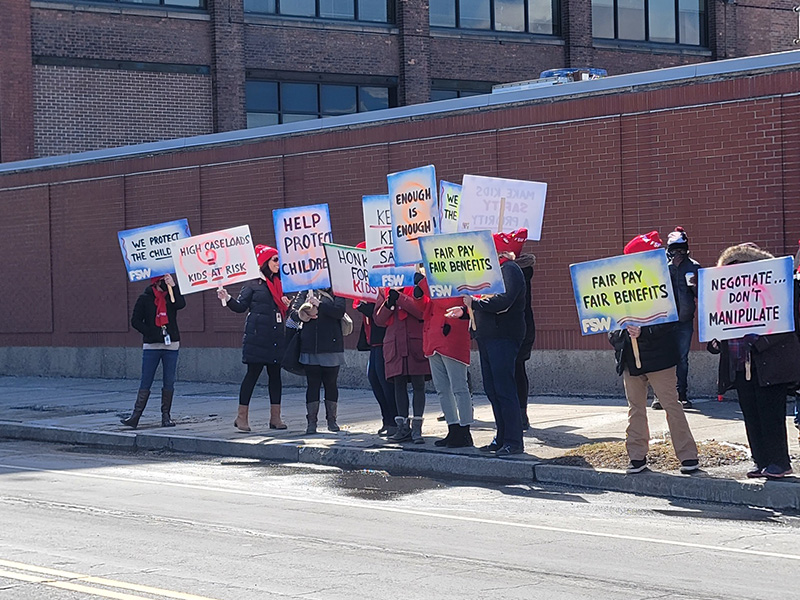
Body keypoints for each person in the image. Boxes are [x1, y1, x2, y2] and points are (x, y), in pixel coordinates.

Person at [608, 231, 699, 474]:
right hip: (631, 359)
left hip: (660, 359)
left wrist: (644, 333)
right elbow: (609, 326)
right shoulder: (618, 288)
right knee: (635, 408)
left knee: (671, 404)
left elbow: (672, 321)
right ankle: (636, 457)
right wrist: (622, 335)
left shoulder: (663, 282)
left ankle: (688, 457)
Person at [707, 243, 800, 479]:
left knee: (771, 414)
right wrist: (716, 342)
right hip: (740, 366)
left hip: (768, 365)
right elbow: (718, 325)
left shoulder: (777, 292)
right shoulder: (726, 297)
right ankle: (761, 460)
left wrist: (759, 343)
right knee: (751, 414)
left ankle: (780, 462)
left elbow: (785, 326)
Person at [446, 230, 527, 457]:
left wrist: (475, 303)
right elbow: (482, 304)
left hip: (504, 336)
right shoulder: (490, 273)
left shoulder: (509, 270)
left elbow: (503, 301)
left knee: (504, 389)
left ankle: (513, 440)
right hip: (488, 336)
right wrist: (464, 310)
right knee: (493, 390)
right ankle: (501, 438)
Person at [217, 245, 289, 433]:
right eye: (274, 260)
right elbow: (241, 306)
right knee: (252, 376)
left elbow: (284, 309)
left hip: (275, 338)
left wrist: (288, 305)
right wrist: (227, 298)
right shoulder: (253, 284)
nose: (278, 263)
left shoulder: (280, 283)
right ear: (265, 262)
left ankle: (275, 418)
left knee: (276, 378)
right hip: (258, 339)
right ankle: (241, 418)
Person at [414, 272, 473, 448]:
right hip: (434, 340)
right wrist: (418, 297)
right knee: (442, 389)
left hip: (451, 340)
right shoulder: (433, 283)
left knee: (459, 388)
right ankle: (453, 427)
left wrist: (424, 284)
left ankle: (464, 430)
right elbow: (426, 309)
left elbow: (447, 303)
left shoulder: (460, 280)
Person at [122, 273, 185, 429]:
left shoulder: (170, 296)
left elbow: (181, 304)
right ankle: (135, 416)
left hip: (171, 345)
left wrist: (174, 286)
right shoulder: (145, 298)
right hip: (152, 346)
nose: (165, 284)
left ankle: (166, 416)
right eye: (163, 281)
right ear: (156, 283)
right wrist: (150, 332)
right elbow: (135, 321)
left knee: (169, 380)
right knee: (146, 380)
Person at [652, 227, 700, 410]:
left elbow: (701, 294)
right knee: (661, 357)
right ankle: (659, 396)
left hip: (684, 321)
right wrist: (671, 269)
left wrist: (696, 284)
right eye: (675, 249)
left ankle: (682, 395)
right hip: (664, 321)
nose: (678, 253)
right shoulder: (661, 266)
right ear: (669, 250)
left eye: (682, 249)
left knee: (682, 358)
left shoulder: (694, 266)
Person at [374, 286, 429, 443]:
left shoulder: (416, 287)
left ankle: (417, 428)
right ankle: (403, 427)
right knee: (398, 384)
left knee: (418, 384)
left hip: (414, 343)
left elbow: (421, 312)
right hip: (395, 344)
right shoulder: (383, 290)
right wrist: (389, 302)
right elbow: (379, 320)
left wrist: (400, 297)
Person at [289, 287, 346, 434]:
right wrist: (303, 313)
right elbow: (293, 313)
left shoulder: (337, 289)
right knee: (312, 385)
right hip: (310, 345)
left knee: (331, 384)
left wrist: (320, 304)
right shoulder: (305, 290)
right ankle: (311, 422)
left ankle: (332, 420)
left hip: (331, 346)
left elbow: (339, 311)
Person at [355, 243, 398, 437]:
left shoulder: (383, 279)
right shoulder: (364, 282)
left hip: (384, 336)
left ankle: (394, 420)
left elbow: (380, 310)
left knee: (383, 379)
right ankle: (386, 419)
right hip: (372, 338)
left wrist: (365, 307)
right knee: (374, 378)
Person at [514, 245, 536, 430]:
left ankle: (520, 414)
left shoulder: (514, 273)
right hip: (525, 326)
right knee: (518, 370)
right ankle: (520, 413)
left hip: (517, 328)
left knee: (516, 370)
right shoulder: (523, 270)